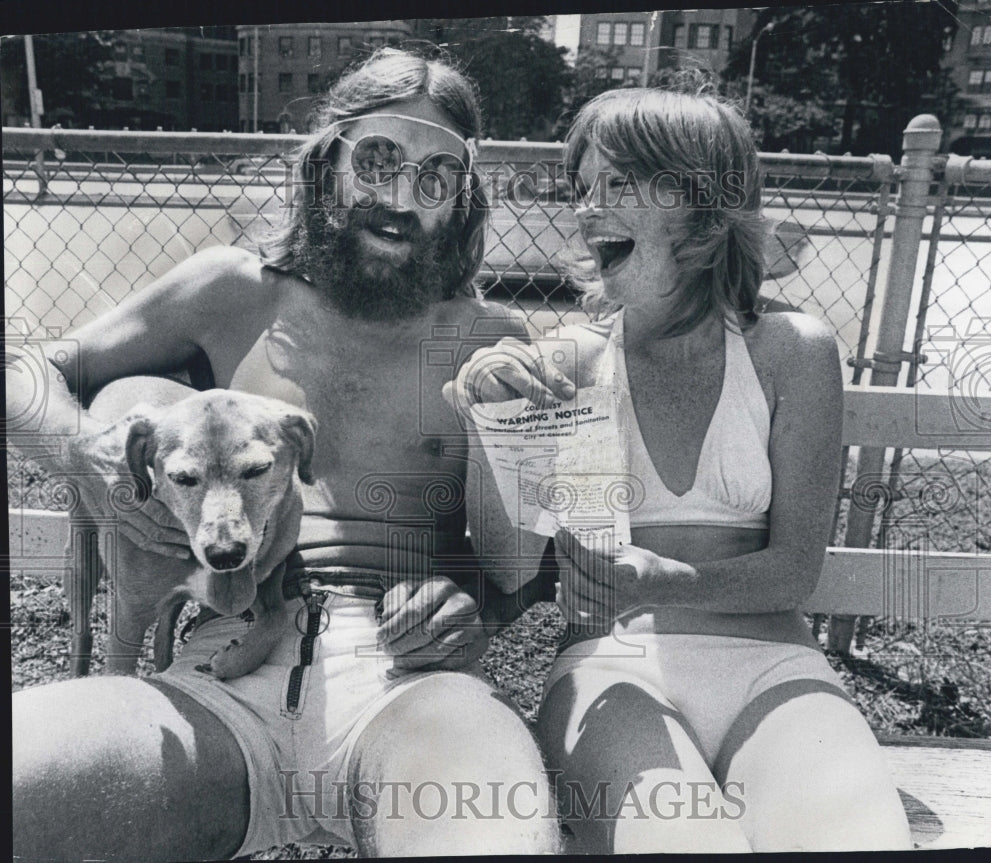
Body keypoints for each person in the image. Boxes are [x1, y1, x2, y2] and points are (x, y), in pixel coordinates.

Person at [9, 49, 561, 861]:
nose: (401, 199)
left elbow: (543, 560)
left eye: (437, 177)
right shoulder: (234, 290)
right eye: (379, 159)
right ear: (328, 163)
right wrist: (79, 447)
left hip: (413, 690)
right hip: (217, 675)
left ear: (462, 201)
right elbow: (26, 368)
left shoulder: (494, 346)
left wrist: (481, 601)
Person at [445, 81, 912, 853]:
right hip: (614, 671)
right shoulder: (571, 361)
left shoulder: (792, 350)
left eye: (619, 183)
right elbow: (510, 560)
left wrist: (660, 580)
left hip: (778, 668)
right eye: (583, 186)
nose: (589, 207)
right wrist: (490, 425)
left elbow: (793, 570)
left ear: (704, 203)